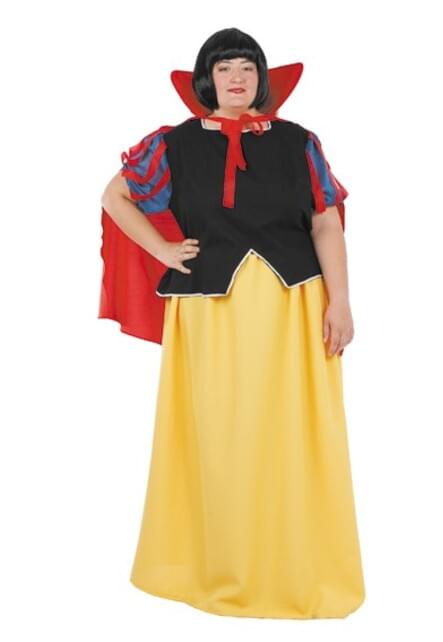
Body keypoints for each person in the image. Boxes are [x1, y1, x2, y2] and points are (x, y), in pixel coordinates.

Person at [99, 27, 365, 619]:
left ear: (261, 79)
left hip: (291, 306)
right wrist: (163, 251)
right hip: (210, 311)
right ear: (207, 80)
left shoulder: (299, 142)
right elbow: (115, 196)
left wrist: (341, 301)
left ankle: (293, 567)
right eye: (224, 68)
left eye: (246, 67)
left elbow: (325, 223)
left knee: (289, 434)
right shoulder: (173, 144)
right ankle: (217, 566)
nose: (236, 78)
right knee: (220, 437)